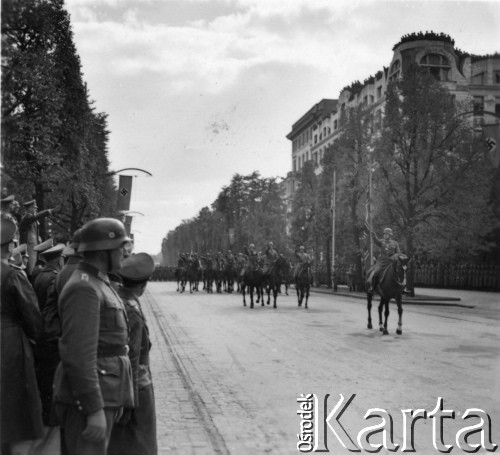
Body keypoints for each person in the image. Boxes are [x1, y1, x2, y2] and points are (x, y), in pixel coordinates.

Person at [53, 218, 134, 455]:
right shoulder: (84, 288)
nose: (125, 253)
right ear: (103, 251)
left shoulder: (99, 282)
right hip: (92, 399)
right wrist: (93, 408)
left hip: (107, 392)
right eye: (121, 247)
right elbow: (78, 355)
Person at [0, 218, 44, 454]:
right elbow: (33, 317)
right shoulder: (14, 275)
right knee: (17, 416)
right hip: (10, 347)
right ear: (9, 246)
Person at [108, 253, 158, 455]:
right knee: (140, 444)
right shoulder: (133, 309)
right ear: (143, 285)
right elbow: (134, 359)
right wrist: (131, 401)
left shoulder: (117, 298)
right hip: (137, 387)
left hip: (119, 385)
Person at [19, 200, 55, 276]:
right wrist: (48, 211)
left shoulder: (32, 218)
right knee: (30, 268)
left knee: (35, 266)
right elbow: (37, 216)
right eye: (34, 207)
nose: (36, 209)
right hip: (29, 246)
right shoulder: (27, 217)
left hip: (34, 245)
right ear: (29, 208)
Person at [366, 227, 401, 293]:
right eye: (384, 234)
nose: (385, 235)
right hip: (382, 261)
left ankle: (402, 288)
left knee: (400, 272)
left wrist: (393, 257)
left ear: (390, 235)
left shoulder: (395, 243)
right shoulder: (381, 241)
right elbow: (376, 241)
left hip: (391, 262)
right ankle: (372, 287)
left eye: (387, 234)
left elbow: (398, 252)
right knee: (376, 272)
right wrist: (374, 236)